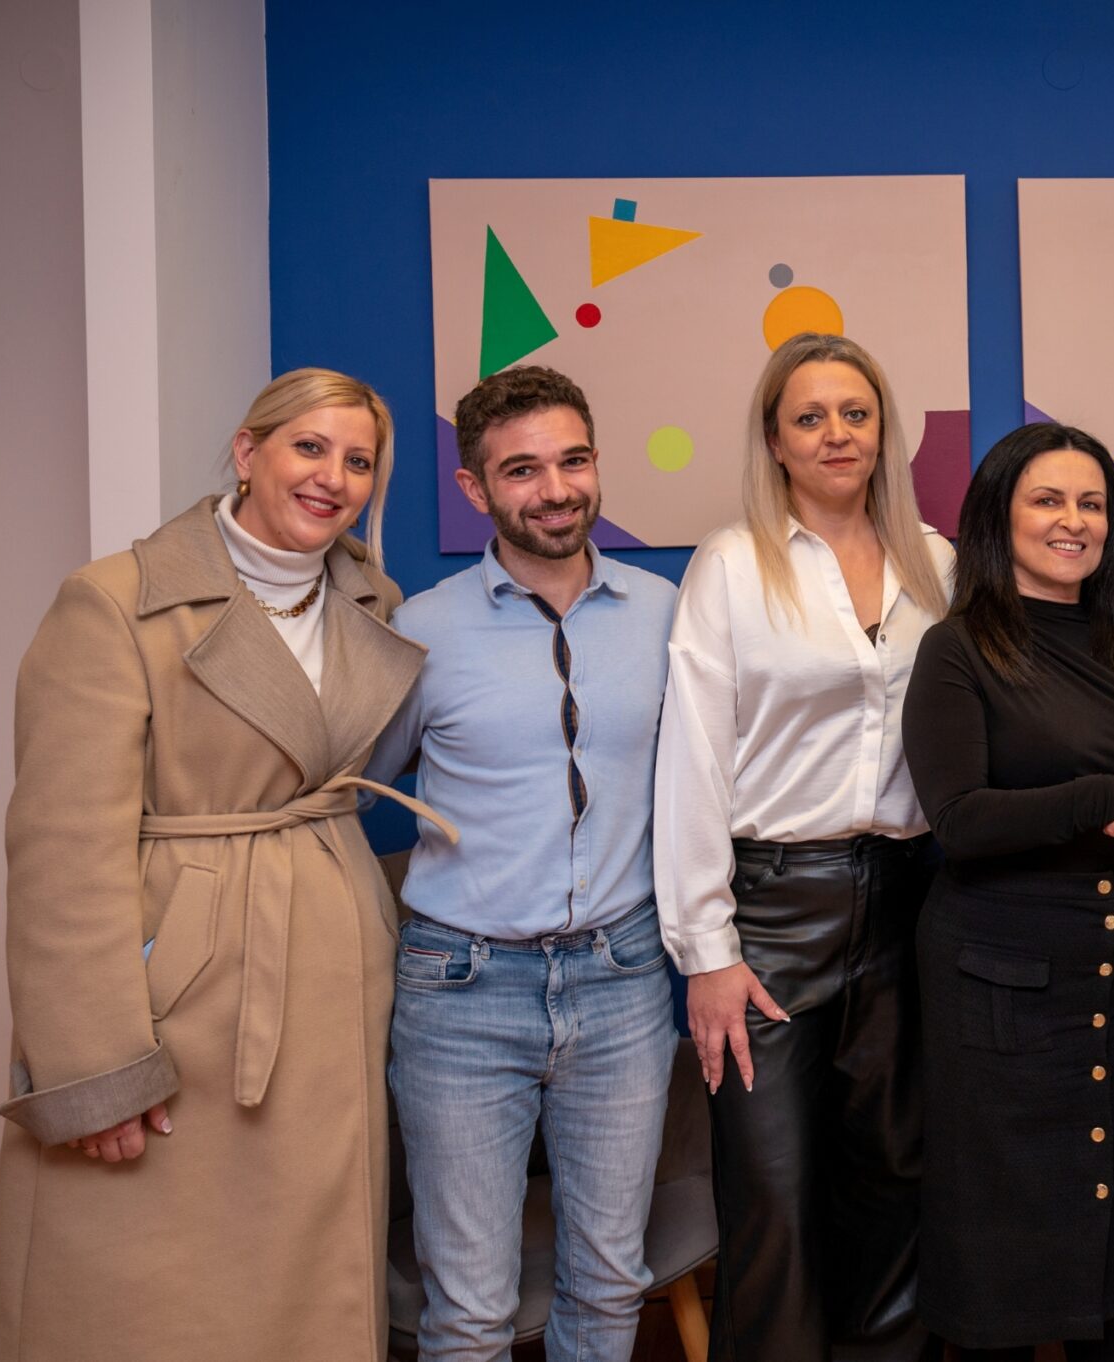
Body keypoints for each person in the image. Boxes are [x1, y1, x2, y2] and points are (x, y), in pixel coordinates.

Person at [0, 368, 453, 1361]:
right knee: (148, 1286)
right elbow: (62, 853)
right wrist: (95, 1071)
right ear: (248, 452)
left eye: (357, 461)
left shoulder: (371, 598)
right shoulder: (115, 602)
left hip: (332, 980)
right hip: (183, 994)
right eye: (308, 447)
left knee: (306, 1276)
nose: (331, 477)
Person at [365, 365, 679, 1361]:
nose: (555, 490)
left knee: (609, 1285)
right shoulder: (420, 630)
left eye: (572, 461)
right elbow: (363, 783)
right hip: (460, 989)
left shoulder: (667, 613)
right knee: (468, 1311)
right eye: (522, 470)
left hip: (623, 980)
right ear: (474, 488)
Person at [653, 332, 954, 1360]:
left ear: (883, 431)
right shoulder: (731, 566)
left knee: (895, 1179)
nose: (837, 434)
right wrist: (707, 952)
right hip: (772, 916)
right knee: (773, 1194)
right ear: (775, 441)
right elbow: (692, 762)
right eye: (810, 417)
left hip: (907, 902)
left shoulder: (938, 564)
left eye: (855, 413)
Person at [903, 423, 1114, 1360]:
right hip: (1003, 988)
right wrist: (1102, 797)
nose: (1073, 521)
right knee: (1003, 1237)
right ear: (999, 517)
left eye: (1092, 503)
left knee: (1111, 1215)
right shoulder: (957, 650)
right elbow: (959, 821)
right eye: (1047, 500)